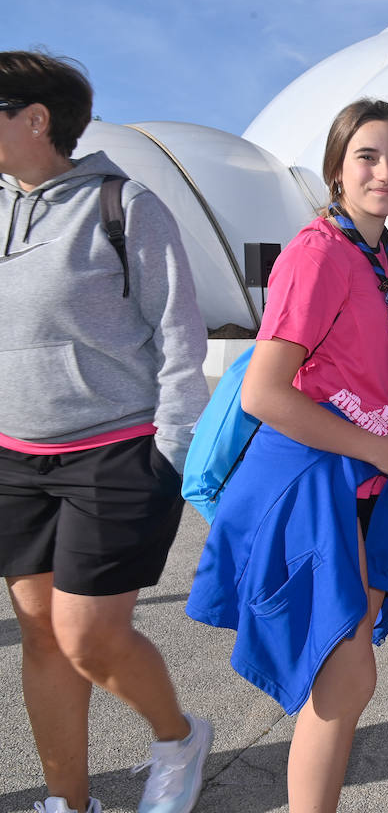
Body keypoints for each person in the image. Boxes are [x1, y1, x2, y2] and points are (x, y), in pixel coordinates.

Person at [186, 99, 388, 812]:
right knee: (345, 669)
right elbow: (266, 392)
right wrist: (379, 449)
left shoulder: (380, 255)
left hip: (365, 483)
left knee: (344, 675)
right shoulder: (319, 251)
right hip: (317, 479)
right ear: (336, 168)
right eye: (367, 156)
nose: (384, 171)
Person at [0, 51, 212, 813]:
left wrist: (173, 452)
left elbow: (179, 334)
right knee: (42, 639)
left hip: (115, 451)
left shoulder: (124, 205)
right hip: (15, 460)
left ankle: (178, 735)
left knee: (89, 637)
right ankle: (68, 802)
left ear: (35, 118)